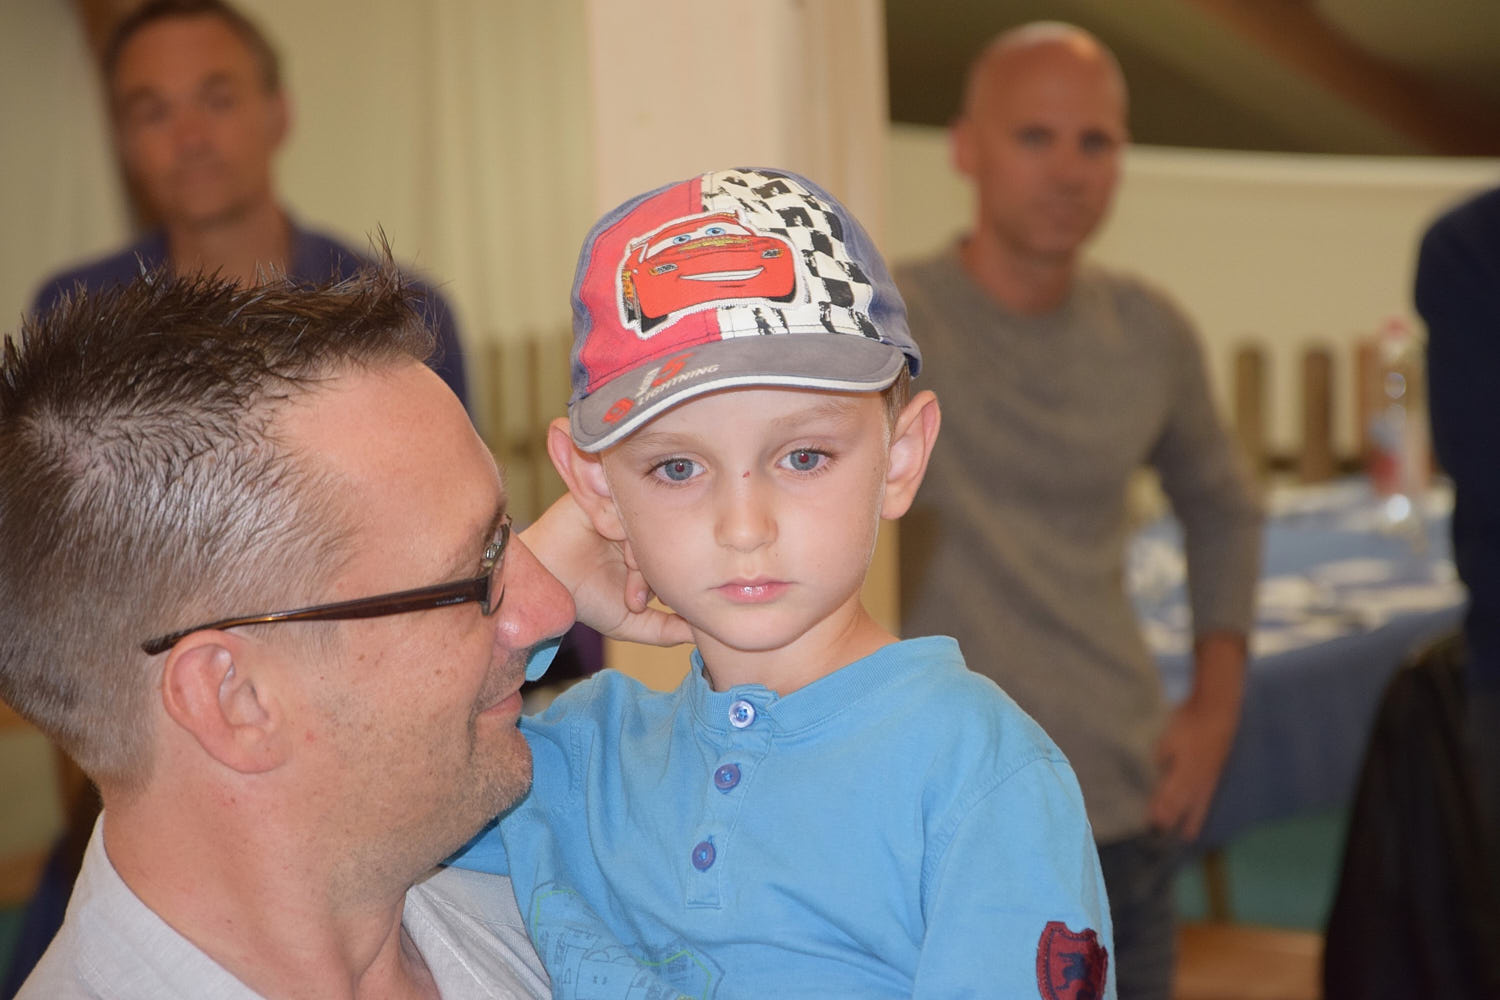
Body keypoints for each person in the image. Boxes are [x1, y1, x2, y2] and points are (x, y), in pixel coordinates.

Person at [449, 167, 1115, 999]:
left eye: (803, 457)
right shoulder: (576, 765)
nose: (744, 525)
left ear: (900, 458)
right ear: (596, 488)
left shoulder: (979, 773)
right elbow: (343, 796)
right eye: (677, 467)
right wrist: (531, 584)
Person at [0, 264, 686, 998]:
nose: (553, 608)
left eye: (509, 531)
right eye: (478, 569)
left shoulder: (575, 918)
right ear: (236, 698)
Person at [893, 24, 1262, 999]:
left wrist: (1217, 704)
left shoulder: (1148, 330)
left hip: (1115, 801)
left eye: (1095, 142)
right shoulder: (891, 328)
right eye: (1034, 137)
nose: (1068, 171)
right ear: (966, 148)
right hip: (938, 813)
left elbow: (1225, 504)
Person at [29, 0, 468, 405]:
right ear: (123, 142)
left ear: (279, 114)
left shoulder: (401, 315)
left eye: (218, 100)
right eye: (154, 112)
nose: (190, 139)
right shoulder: (75, 314)